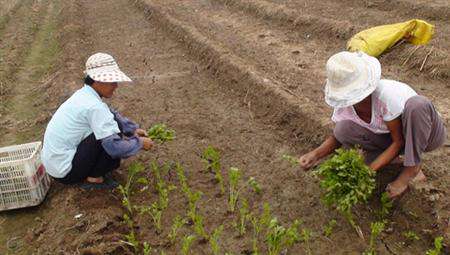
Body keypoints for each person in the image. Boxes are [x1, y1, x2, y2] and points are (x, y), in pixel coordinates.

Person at [299, 51, 446, 199]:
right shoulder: (344, 104)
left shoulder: (386, 97)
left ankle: (412, 168)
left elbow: (398, 141)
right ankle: (398, 161)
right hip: (392, 138)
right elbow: (337, 137)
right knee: (343, 129)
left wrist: (369, 171)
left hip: (426, 134)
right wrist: (316, 154)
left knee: (417, 105)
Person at [42, 53, 154, 189]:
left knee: (110, 125)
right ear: (98, 81)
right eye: (112, 82)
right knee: (112, 133)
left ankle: (91, 171)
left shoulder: (83, 95)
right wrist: (139, 143)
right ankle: (94, 178)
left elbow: (109, 113)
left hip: (56, 166)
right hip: (67, 172)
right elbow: (114, 148)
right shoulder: (94, 107)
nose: (116, 86)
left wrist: (132, 130)